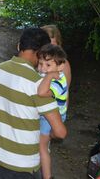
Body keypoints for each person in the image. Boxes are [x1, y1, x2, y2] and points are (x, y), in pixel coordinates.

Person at [0, 28, 67, 178]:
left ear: (18, 46)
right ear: (41, 52)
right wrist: (49, 135)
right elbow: (61, 132)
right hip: (22, 165)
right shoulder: (38, 84)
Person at [37, 44, 69, 179]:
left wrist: (49, 76)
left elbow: (41, 92)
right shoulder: (47, 74)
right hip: (47, 114)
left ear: (60, 67)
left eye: (48, 65)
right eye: (40, 63)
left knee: (42, 147)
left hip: (52, 118)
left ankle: (47, 177)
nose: (43, 68)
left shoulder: (58, 81)